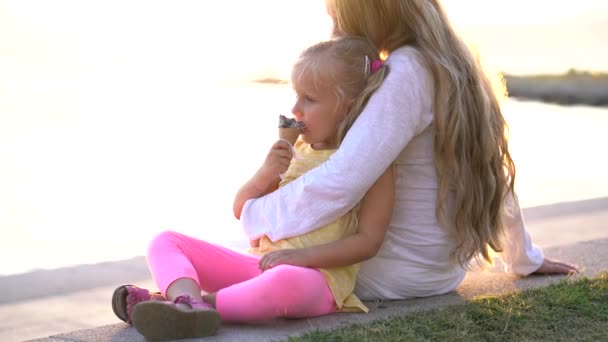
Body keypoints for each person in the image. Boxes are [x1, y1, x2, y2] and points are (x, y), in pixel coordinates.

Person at [240, 0, 578, 301]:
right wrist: (524, 258)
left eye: (339, 17)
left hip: (390, 272)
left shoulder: (407, 71)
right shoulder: (458, 64)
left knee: (232, 260)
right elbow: (496, 171)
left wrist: (256, 214)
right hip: (442, 272)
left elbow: (342, 180)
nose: (336, 32)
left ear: (369, 13)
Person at [112, 36, 392, 341]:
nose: (295, 110)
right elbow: (241, 209)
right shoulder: (298, 149)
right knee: (165, 241)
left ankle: (191, 306)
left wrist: (302, 258)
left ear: (347, 106)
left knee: (285, 282)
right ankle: (187, 303)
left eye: (309, 100)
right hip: (259, 263)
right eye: (296, 97)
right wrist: (266, 173)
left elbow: (368, 241)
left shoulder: (372, 162)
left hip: (315, 279)